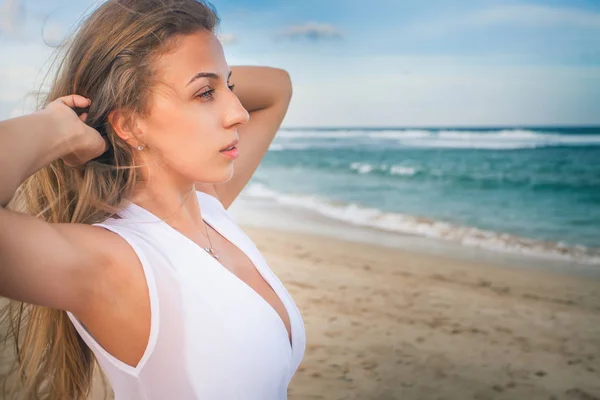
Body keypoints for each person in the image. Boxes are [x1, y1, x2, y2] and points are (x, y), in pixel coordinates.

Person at [0, 0, 306, 398]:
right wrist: (58, 127)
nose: (238, 113)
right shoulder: (117, 264)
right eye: (204, 95)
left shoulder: (208, 207)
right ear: (128, 124)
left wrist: (199, 75)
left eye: (229, 87)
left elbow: (278, 86)